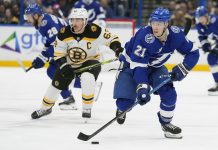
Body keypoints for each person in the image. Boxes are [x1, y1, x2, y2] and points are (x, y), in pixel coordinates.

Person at [113, 7, 199, 139]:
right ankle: (122, 109)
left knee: (169, 94)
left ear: (166, 24)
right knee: (125, 104)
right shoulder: (144, 36)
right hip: (132, 66)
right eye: (153, 23)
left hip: (156, 68)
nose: (155, 27)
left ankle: (166, 124)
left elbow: (193, 52)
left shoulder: (175, 35)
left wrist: (183, 68)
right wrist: (142, 87)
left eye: (159, 24)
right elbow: (139, 67)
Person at [31, 8, 123, 121]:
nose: (75, 23)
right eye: (73, 20)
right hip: (69, 63)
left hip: (90, 61)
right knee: (55, 86)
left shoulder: (95, 30)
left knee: (87, 78)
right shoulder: (64, 32)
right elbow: (58, 53)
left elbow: (112, 38)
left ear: (85, 21)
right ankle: (45, 108)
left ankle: (87, 109)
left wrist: (117, 49)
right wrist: (64, 65)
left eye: (78, 20)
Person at [24, 3, 77, 110]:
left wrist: (43, 58)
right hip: (68, 46)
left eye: (29, 16)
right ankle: (69, 98)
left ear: (35, 15)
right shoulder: (43, 21)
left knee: (53, 71)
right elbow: (51, 41)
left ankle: (75, 91)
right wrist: (42, 55)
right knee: (52, 71)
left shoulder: (46, 24)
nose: (27, 19)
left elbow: (57, 44)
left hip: (71, 47)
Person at [195, 6, 218, 95]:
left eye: (201, 18)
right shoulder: (199, 25)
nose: (200, 20)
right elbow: (202, 36)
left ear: (207, 16)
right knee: (211, 58)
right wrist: (205, 44)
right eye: (198, 18)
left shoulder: (216, 20)